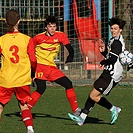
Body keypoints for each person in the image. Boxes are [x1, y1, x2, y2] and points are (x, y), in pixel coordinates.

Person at [68, 17, 126, 126]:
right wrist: (104, 53)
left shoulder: (117, 43)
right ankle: (82, 118)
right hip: (108, 72)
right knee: (93, 93)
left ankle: (113, 109)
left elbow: (113, 59)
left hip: (112, 75)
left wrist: (104, 62)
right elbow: (111, 57)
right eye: (112, 28)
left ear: (120, 30)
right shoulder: (113, 40)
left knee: (94, 95)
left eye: (115, 29)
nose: (113, 30)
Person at [27, 15, 80, 115]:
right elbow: (30, 51)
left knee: (68, 84)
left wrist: (71, 55)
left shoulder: (60, 35)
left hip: (52, 67)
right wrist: (32, 69)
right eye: (50, 26)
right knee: (41, 88)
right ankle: (26, 110)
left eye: (54, 26)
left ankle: (75, 110)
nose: (52, 29)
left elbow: (69, 47)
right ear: (46, 27)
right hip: (40, 66)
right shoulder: (38, 38)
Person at [0, 9, 37, 133]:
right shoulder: (27, 39)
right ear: (19, 21)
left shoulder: (1, 40)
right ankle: (30, 129)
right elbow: (33, 60)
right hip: (22, 79)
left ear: (6, 22)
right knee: (23, 105)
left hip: (6, 79)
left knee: (0, 106)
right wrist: (33, 73)